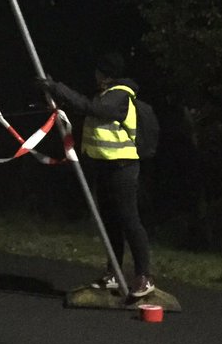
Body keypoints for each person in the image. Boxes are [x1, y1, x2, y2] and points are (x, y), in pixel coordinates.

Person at [40, 52, 155, 299]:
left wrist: (57, 88)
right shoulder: (105, 94)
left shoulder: (119, 95)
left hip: (123, 168)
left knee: (129, 220)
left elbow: (91, 108)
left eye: (98, 71)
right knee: (110, 222)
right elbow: (88, 111)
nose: (94, 75)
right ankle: (113, 273)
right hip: (104, 166)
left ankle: (144, 277)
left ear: (105, 74)